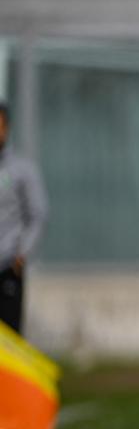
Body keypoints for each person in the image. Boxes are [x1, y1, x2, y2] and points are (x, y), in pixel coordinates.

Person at [0, 102, 48, 334]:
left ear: (6, 128)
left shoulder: (21, 169)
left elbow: (38, 214)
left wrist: (22, 253)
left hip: (8, 266)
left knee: (9, 339)